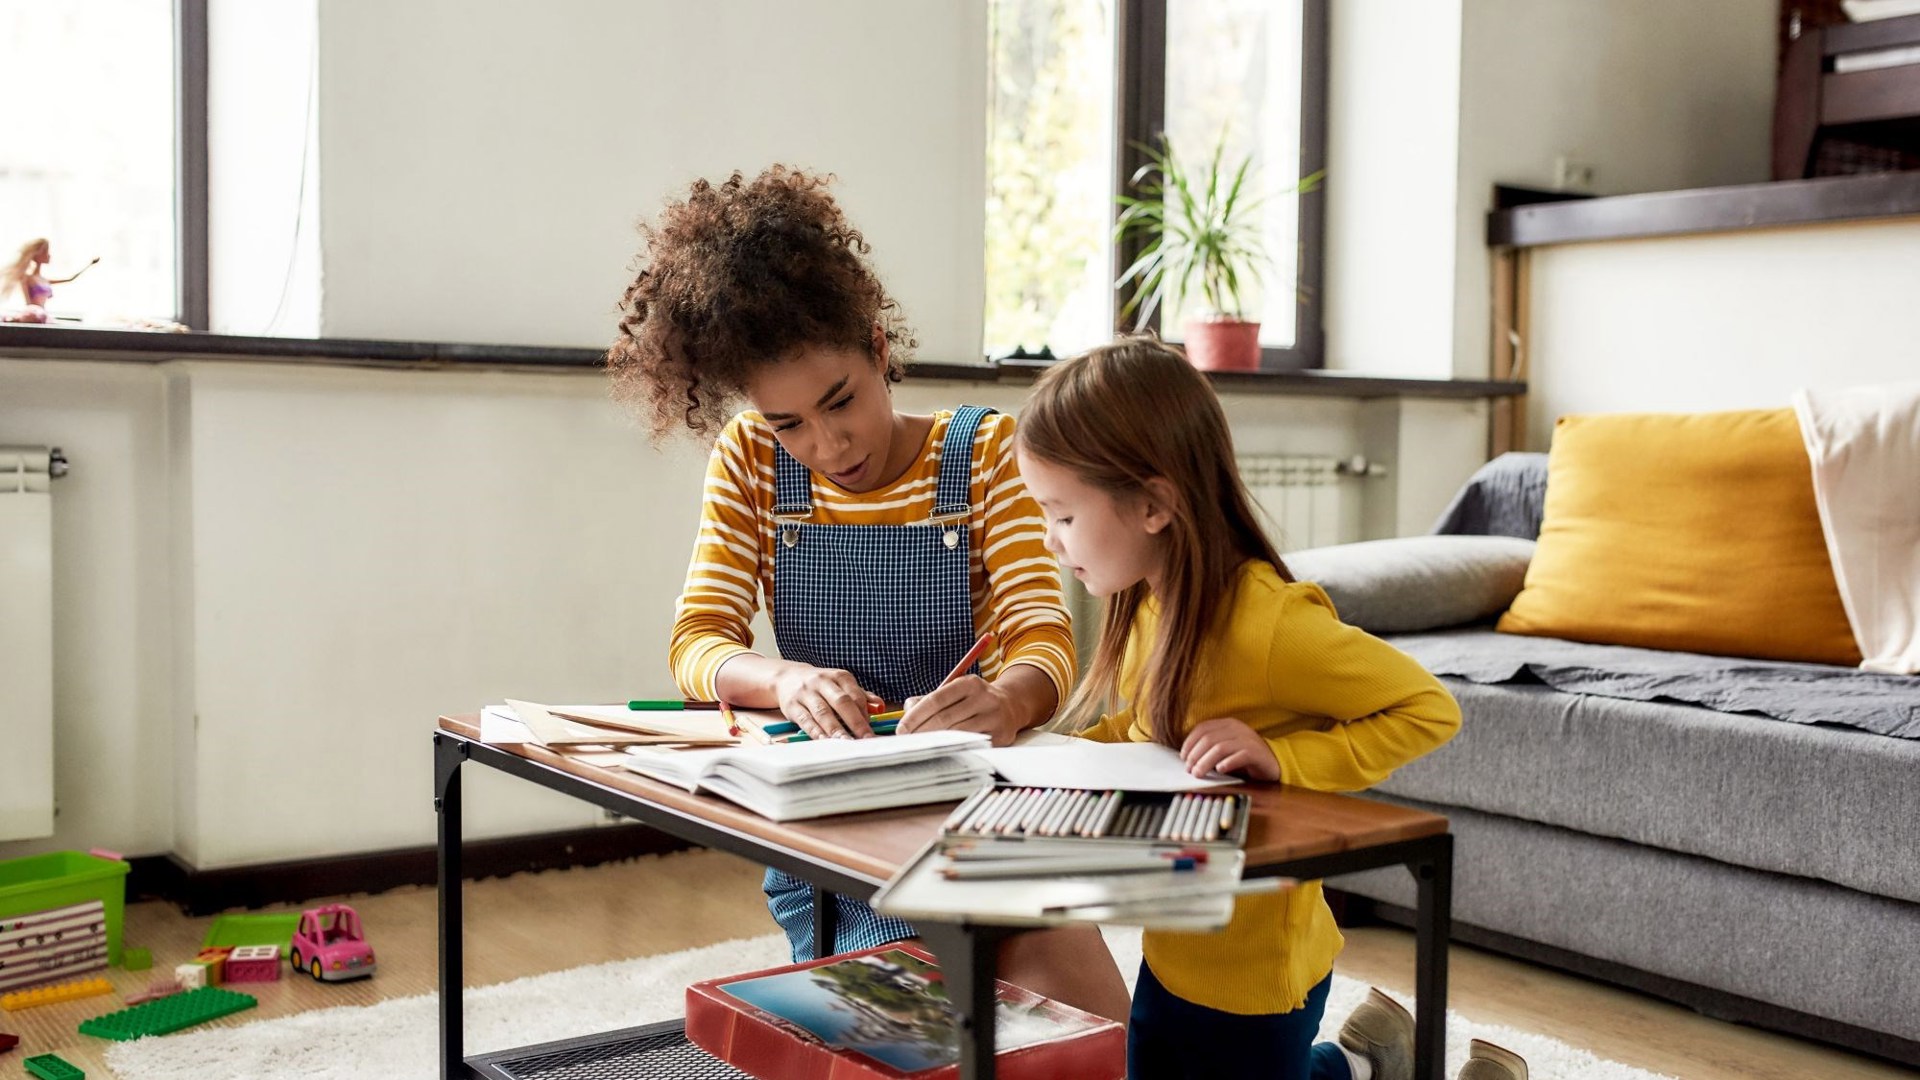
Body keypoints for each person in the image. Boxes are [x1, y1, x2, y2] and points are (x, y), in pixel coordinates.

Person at [605, 164, 1131, 1021]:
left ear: (880, 351)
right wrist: (785, 681)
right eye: (789, 424)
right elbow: (697, 642)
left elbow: (1044, 636)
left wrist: (1007, 700)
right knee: (939, 1038)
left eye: (841, 401)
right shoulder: (750, 460)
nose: (828, 444)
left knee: (1093, 1033)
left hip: (975, 814)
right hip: (830, 830)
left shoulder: (983, 453)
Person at [1014, 337, 1527, 1080]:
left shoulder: (1270, 624)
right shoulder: (1151, 604)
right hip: (1180, 943)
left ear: (1153, 505)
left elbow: (1428, 708)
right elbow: (1146, 728)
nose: (1052, 542)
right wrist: (1051, 757)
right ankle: (1370, 1055)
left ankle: (1378, 1065)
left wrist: (1282, 758)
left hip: (1260, 972)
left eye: (1062, 516)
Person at [2, 238, 97, 323]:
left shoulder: (44, 280)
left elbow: (70, 279)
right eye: (45, 252)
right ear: (37, 254)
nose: (49, 255)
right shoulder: (27, 279)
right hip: (33, 314)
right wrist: (31, 313)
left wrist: (89, 265)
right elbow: (28, 303)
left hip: (42, 314)